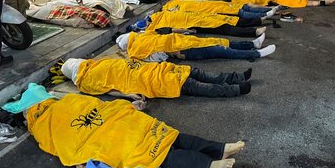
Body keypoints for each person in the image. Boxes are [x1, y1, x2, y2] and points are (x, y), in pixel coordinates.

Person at [3, 83, 244, 168]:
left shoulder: (57, 109)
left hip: (110, 123)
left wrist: (119, 108)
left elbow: (93, 106)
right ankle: (209, 162)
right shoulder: (51, 113)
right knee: (159, 144)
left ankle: (217, 152)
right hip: (104, 130)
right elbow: (58, 141)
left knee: (160, 142)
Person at [62, 57, 252, 98]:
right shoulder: (87, 80)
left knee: (195, 77)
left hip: (153, 72)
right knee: (193, 81)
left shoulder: (94, 65)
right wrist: (129, 96)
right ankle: (234, 86)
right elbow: (109, 89)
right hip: (152, 78)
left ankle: (235, 79)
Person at [116, 31, 276, 62]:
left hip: (187, 43)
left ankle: (253, 44)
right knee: (222, 50)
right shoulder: (138, 50)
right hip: (186, 50)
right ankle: (255, 53)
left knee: (220, 42)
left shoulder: (143, 37)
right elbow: (159, 58)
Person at [146, 10, 266, 38]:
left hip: (197, 17)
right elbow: (172, 30)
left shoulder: (160, 15)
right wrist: (190, 31)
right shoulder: (156, 27)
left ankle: (256, 22)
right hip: (196, 22)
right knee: (224, 27)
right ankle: (254, 31)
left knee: (225, 20)